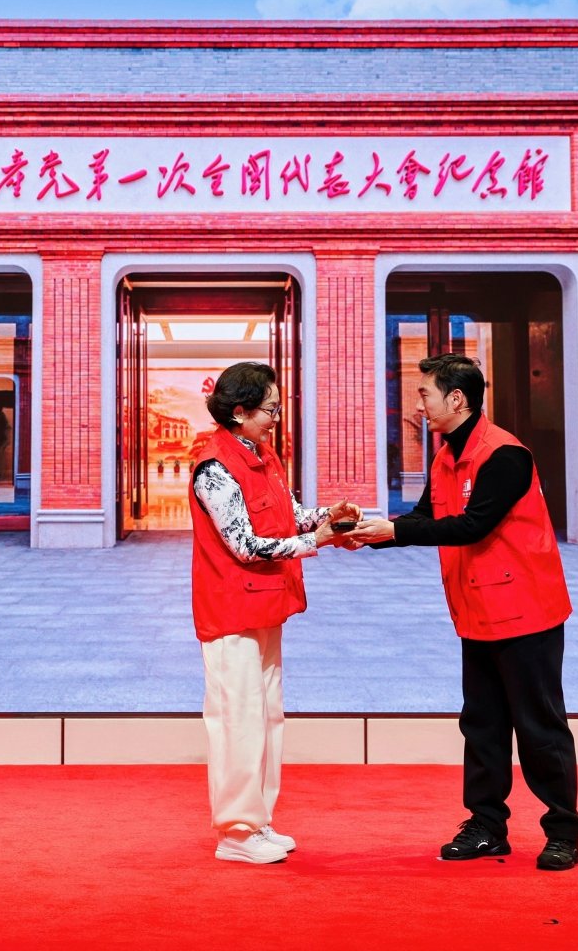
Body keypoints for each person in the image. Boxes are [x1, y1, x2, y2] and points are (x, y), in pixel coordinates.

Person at [347, 353, 578, 871]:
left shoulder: (504, 454)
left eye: (424, 394)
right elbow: (426, 517)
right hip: (477, 609)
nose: (418, 404)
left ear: (457, 399)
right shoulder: (445, 456)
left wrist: (395, 531)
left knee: (539, 727)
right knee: (481, 724)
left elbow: (472, 526)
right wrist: (370, 535)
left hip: (525, 611)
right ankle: (486, 827)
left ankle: (564, 831)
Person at [190, 360, 360, 864]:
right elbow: (244, 545)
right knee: (238, 720)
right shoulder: (213, 467)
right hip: (230, 609)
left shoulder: (263, 455)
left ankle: (258, 820)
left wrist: (329, 517)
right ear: (239, 412)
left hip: (265, 604)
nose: (276, 418)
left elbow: (289, 516)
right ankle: (235, 832)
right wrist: (316, 540)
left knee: (266, 716)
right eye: (270, 409)